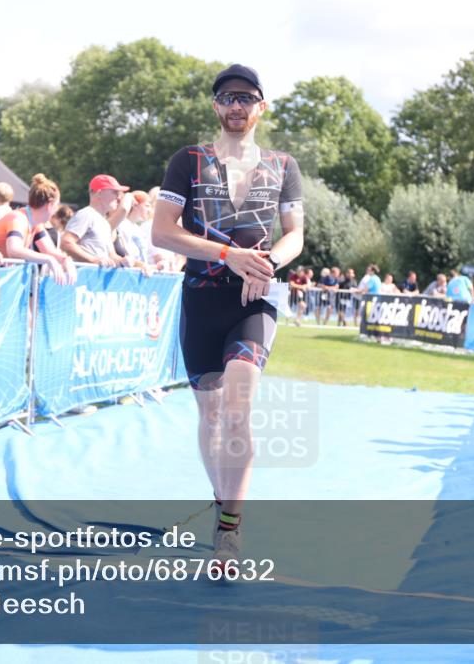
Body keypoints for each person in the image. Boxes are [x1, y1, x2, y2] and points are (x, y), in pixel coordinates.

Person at [151, 63, 304, 574]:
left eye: (246, 98)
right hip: (201, 297)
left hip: (254, 298)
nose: (237, 106)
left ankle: (229, 530)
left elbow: (295, 235)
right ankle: (222, 498)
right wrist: (226, 255)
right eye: (227, 98)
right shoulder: (188, 161)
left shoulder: (283, 165)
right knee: (212, 415)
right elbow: (162, 232)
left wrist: (267, 263)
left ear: (262, 106)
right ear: (216, 106)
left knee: (239, 407)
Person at [0, 173, 77, 284]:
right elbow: (13, 250)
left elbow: (49, 250)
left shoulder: (35, 223)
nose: (56, 210)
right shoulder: (18, 218)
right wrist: (49, 259)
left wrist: (65, 259)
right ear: (49, 205)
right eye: (57, 205)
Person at [61, 174, 131, 267]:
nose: (119, 197)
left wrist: (123, 261)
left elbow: (111, 256)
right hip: (83, 274)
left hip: (94, 275)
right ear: (99, 193)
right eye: (115, 192)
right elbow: (66, 243)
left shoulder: (105, 223)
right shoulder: (86, 214)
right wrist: (93, 260)